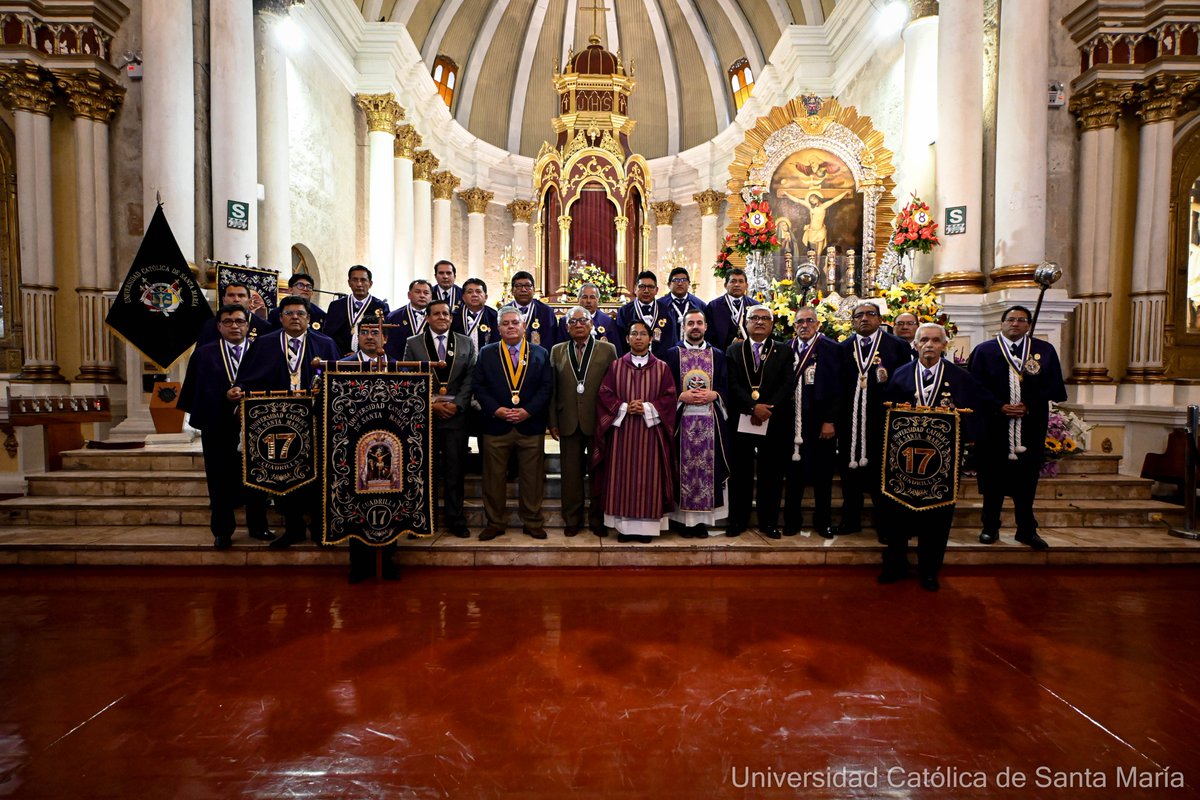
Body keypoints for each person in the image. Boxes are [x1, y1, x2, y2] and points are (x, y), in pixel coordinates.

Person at [880, 323, 993, 590]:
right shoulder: (900, 375)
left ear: (945, 345)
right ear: (915, 345)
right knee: (897, 513)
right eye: (924, 340)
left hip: (942, 463)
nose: (929, 345)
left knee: (938, 517)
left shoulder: (961, 377)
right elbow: (886, 415)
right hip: (904, 461)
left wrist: (962, 418)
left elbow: (976, 413)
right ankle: (895, 564)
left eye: (935, 340)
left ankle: (929, 570)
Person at [236, 296, 340, 548]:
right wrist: (238, 390)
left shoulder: (325, 344)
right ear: (280, 317)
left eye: (300, 313)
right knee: (286, 477)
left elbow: (338, 380)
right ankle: (293, 529)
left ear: (309, 318)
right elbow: (247, 379)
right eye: (289, 313)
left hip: (316, 422)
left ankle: (319, 528)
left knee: (318, 477)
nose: (295, 317)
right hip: (278, 423)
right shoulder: (264, 344)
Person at [969, 304, 1067, 550]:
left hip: (1029, 426)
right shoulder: (984, 351)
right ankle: (990, 526)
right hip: (994, 427)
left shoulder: (1043, 351)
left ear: (1029, 325)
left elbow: (1055, 387)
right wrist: (999, 406)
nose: (1016, 324)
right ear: (1001, 323)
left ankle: (1026, 529)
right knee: (993, 479)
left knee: (1027, 480)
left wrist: (1029, 405)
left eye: (1022, 320)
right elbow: (974, 388)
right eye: (1011, 319)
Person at [179, 304, 273, 549]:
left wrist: (247, 393)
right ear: (219, 326)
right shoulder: (204, 354)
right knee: (219, 479)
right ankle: (222, 530)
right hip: (217, 424)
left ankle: (258, 526)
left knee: (256, 477)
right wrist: (224, 396)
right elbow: (194, 392)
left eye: (239, 321)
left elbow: (271, 386)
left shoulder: (261, 351)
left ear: (248, 325)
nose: (234, 326)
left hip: (255, 425)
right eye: (228, 321)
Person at [593, 320, 678, 543]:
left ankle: (647, 530)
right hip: (623, 433)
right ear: (627, 338)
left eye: (643, 334)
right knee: (622, 476)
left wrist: (648, 407)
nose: (638, 338)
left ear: (651, 339)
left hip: (651, 434)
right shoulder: (616, 366)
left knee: (649, 478)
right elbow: (604, 393)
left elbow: (670, 397)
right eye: (634, 334)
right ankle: (624, 528)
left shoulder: (662, 367)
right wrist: (623, 407)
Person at [473, 307, 553, 540]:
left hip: (530, 425)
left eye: (515, 322)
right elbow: (479, 386)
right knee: (493, 477)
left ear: (523, 326)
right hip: (496, 425)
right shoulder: (487, 353)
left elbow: (546, 387)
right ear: (498, 328)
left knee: (532, 478)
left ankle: (532, 521)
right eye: (505, 323)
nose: (510, 326)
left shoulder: (540, 353)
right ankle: (495, 522)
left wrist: (527, 411)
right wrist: (496, 410)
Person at [836, 300, 913, 540]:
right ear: (853, 321)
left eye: (871, 314)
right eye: (859, 315)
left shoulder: (897, 347)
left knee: (883, 473)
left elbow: (905, 384)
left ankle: (886, 524)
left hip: (884, 421)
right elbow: (837, 386)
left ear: (880, 319)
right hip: (851, 420)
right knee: (850, 473)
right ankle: (850, 520)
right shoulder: (844, 347)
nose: (865, 318)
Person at [403, 298, 476, 539]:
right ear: (427, 318)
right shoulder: (413, 343)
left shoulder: (465, 343)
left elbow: (470, 379)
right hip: (427, 415)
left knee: (455, 469)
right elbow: (409, 378)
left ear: (451, 318)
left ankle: (456, 519)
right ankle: (423, 519)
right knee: (425, 469)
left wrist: (457, 405)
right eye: (436, 314)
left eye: (446, 314)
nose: (442, 317)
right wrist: (431, 404)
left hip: (456, 415)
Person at [338, 321, 405, 583]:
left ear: (385, 338)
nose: (369, 337)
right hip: (354, 446)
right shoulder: (342, 366)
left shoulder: (400, 366)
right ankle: (358, 562)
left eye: (375, 332)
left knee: (392, 500)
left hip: (392, 446)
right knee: (356, 501)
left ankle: (388, 559)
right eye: (363, 332)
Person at [548, 306, 619, 538]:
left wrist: (613, 418)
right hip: (567, 420)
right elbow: (553, 389)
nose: (578, 324)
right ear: (566, 326)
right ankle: (572, 519)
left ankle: (598, 518)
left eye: (583, 320)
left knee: (599, 473)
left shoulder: (607, 350)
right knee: (570, 475)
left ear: (591, 323)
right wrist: (552, 420)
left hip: (599, 421)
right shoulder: (557, 351)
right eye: (573, 321)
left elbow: (615, 386)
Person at [724, 307, 795, 538]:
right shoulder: (734, 350)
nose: (760, 322)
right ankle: (737, 521)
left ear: (772, 324)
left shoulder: (783, 350)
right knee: (740, 474)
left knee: (771, 475)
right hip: (742, 419)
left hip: (774, 421)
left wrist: (766, 408)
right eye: (755, 318)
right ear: (746, 323)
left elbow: (787, 384)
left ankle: (768, 522)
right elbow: (732, 384)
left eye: (765, 318)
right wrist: (753, 407)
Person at [662, 308, 729, 539]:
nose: (695, 327)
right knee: (682, 469)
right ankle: (681, 522)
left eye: (699, 323)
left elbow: (727, 385)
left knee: (706, 471)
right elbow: (663, 388)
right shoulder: (671, 354)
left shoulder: (718, 355)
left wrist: (716, 395)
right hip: (681, 424)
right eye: (690, 323)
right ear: (684, 327)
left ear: (706, 326)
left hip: (711, 424)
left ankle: (700, 523)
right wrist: (680, 397)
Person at [783, 306, 841, 539]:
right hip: (792, 422)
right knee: (793, 475)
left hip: (820, 422)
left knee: (823, 476)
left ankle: (823, 521)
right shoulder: (786, 349)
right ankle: (791, 521)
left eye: (809, 321)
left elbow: (838, 389)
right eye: (799, 322)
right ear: (794, 326)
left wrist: (830, 420)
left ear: (817, 325)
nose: (804, 325)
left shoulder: (831, 349)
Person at [324, 265, 390, 355]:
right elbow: (329, 335)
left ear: (370, 283)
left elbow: (383, 337)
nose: (359, 284)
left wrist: (359, 354)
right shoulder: (336, 306)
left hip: (368, 358)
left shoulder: (380, 307)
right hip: (339, 358)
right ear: (349, 282)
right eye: (355, 280)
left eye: (363, 280)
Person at [616, 271, 675, 359]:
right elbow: (620, 342)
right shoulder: (624, 312)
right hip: (632, 363)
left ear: (656, 290)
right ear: (635, 289)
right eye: (642, 286)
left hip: (660, 364)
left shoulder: (667, 311)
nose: (646, 291)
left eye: (651, 287)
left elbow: (671, 341)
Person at [196, 281, 272, 346]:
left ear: (250, 301)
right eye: (231, 295)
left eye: (241, 295)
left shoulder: (264, 326)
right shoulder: (210, 325)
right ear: (224, 300)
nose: (236, 299)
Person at [555, 283, 622, 355]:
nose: (588, 301)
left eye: (592, 297)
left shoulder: (608, 321)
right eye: (584, 297)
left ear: (598, 300)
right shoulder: (566, 321)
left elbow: (616, 351)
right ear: (578, 299)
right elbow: (559, 351)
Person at [705, 268, 760, 350]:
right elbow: (709, 333)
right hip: (722, 354)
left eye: (741, 281)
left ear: (746, 285)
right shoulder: (713, 306)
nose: (737, 285)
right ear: (725, 285)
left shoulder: (755, 306)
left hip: (749, 354)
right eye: (733, 281)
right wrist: (731, 341)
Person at [509, 271, 561, 350]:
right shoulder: (503, 312)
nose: (523, 289)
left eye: (528, 286)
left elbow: (552, 340)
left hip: (538, 359)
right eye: (518, 286)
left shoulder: (546, 312)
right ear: (512, 291)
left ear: (534, 290)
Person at [384, 279, 434, 358]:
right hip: (400, 365)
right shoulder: (393, 317)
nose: (422, 295)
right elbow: (389, 345)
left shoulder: (437, 317)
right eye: (417, 292)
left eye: (426, 293)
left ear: (431, 296)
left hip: (429, 365)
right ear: (409, 295)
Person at [658, 267, 706, 344]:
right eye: (676, 280)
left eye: (684, 280)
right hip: (666, 351)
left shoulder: (699, 305)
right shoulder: (660, 305)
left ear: (689, 284)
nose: (680, 283)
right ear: (669, 284)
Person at [452, 277, 500, 352]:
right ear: (463, 297)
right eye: (470, 292)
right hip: (460, 359)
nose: (474, 295)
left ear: (486, 297)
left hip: (487, 358)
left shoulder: (494, 315)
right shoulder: (454, 316)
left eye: (478, 291)